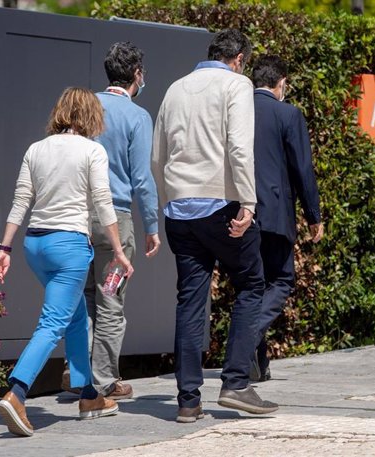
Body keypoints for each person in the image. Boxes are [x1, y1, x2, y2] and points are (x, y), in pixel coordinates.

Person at [151, 28, 278, 423]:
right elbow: (239, 147)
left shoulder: (175, 88)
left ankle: (188, 400)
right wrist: (249, 202)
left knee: (190, 301)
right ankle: (236, 383)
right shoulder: (236, 84)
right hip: (220, 205)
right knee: (252, 284)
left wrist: (167, 198)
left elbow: (157, 156)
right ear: (238, 58)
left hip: (179, 211)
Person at [0, 87, 134, 437]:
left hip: (34, 245)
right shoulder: (92, 150)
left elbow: (21, 199)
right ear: (91, 117)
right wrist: (118, 250)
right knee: (53, 323)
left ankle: (89, 397)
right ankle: (17, 392)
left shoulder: (36, 149)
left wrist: (4, 248)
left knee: (75, 318)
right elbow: (103, 203)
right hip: (70, 245)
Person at [62, 42, 161, 400]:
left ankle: (77, 371)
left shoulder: (85, 108)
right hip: (114, 221)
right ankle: (103, 381)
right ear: (137, 74)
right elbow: (142, 179)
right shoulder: (137, 116)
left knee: (82, 296)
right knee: (110, 298)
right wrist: (152, 225)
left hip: (75, 215)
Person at [249, 55, 323, 382]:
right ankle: (246, 339)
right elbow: (302, 168)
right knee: (281, 281)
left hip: (238, 213)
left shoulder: (237, 111)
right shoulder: (288, 113)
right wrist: (313, 216)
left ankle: (258, 365)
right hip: (275, 214)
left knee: (253, 286)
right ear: (281, 82)